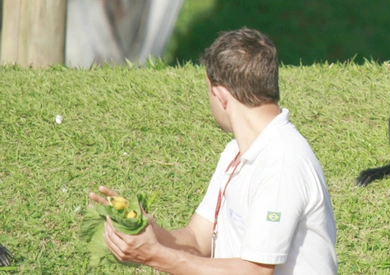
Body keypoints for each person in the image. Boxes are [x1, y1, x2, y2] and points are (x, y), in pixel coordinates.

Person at [89, 27, 337, 275]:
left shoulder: (283, 161)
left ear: (220, 96)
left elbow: (255, 272)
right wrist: (145, 232)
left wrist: (154, 255)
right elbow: (197, 239)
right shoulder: (236, 152)